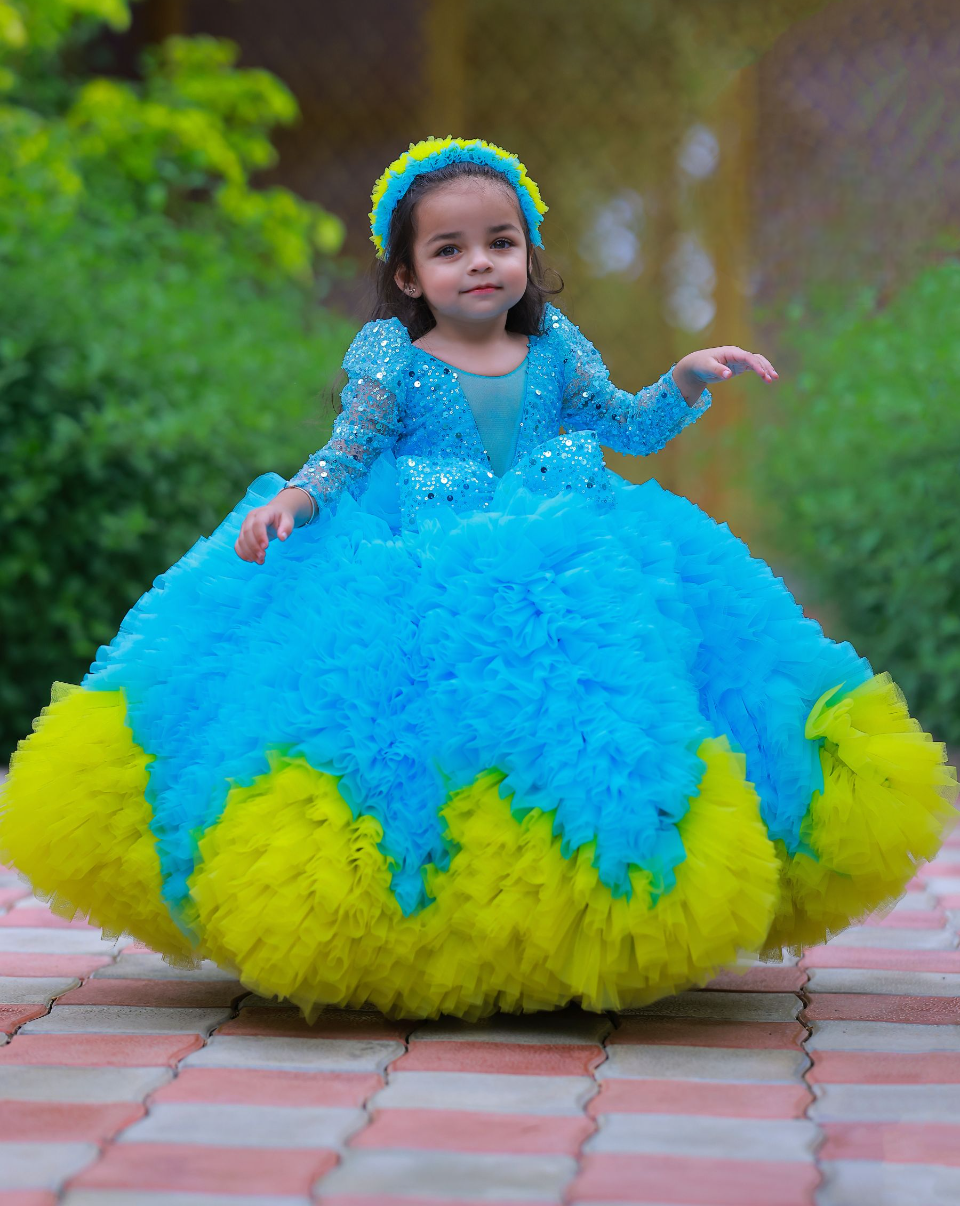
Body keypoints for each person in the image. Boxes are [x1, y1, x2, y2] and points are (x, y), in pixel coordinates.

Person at [2, 137, 955, 1021]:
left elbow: (625, 428)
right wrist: (296, 501)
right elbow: (349, 451)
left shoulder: (556, 351)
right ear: (409, 274)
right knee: (413, 740)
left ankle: (578, 912)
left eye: (501, 242)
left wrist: (686, 379)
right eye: (450, 249)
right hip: (430, 569)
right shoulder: (392, 361)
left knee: (591, 725)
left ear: (530, 255)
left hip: (569, 567)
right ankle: (431, 923)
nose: (480, 263)